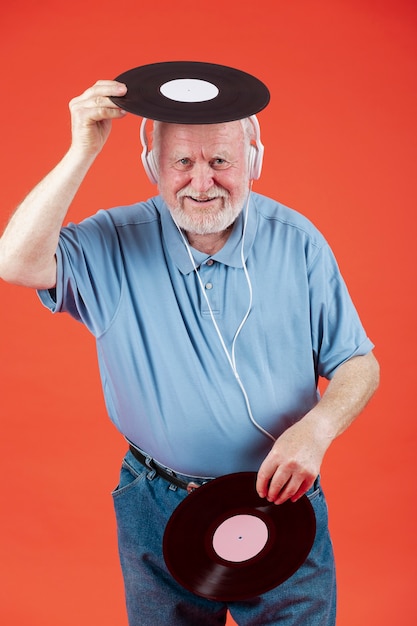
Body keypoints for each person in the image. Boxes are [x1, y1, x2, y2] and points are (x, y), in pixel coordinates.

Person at [0, 77, 379, 626]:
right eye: (181, 162)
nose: (202, 183)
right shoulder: (111, 241)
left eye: (221, 160)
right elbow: (15, 262)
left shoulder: (299, 241)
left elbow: (358, 363)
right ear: (152, 165)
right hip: (155, 502)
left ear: (255, 159)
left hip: (282, 499)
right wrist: (83, 148)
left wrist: (317, 430)